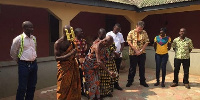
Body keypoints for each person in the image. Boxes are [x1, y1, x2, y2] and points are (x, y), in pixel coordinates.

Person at [82, 35, 116, 100]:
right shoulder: (97, 46)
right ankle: (92, 98)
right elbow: (99, 61)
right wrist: (108, 72)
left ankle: (97, 97)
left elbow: (104, 57)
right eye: (109, 44)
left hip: (95, 67)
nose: (109, 46)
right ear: (105, 41)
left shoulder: (104, 46)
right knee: (92, 84)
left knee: (97, 82)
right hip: (89, 66)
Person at [10, 21, 38, 100]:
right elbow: (13, 52)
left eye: (32, 27)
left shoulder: (34, 38)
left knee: (32, 86)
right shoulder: (18, 39)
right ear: (24, 28)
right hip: (23, 64)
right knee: (22, 87)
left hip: (34, 64)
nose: (32, 29)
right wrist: (19, 61)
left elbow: (33, 50)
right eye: (29, 27)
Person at [54, 25, 81, 100]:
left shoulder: (71, 41)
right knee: (63, 87)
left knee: (73, 86)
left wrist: (75, 56)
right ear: (64, 32)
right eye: (68, 32)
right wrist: (70, 54)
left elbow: (74, 53)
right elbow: (57, 58)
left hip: (72, 66)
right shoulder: (58, 43)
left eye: (71, 31)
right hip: (64, 68)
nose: (70, 33)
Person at [126, 21, 149, 87]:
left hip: (142, 53)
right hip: (133, 53)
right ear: (136, 26)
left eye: (141, 29)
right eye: (139, 29)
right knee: (132, 68)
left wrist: (141, 50)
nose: (140, 30)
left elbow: (146, 42)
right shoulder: (131, 32)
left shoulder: (144, 32)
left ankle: (142, 81)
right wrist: (136, 50)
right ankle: (130, 81)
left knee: (142, 68)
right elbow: (129, 42)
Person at [97, 28, 118, 98]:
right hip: (101, 64)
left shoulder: (109, 41)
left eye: (104, 35)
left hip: (109, 62)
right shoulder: (98, 43)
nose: (103, 37)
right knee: (102, 79)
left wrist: (113, 54)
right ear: (99, 34)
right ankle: (102, 93)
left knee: (109, 78)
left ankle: (108, 91)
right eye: (102, 35)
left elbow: (113, 50)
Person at [106, 23, 125, 90]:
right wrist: (114, 52)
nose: (117, 31)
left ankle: (116, 84)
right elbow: (107, 45)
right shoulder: (109, 34)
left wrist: (119, 52)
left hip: (119, 56)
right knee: (111, 70)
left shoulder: (120, 34)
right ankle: (110, 85)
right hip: (111, 56)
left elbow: (122, 44)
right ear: (114, 27)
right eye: (116, 29)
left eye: (119, 30)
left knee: (117, 70)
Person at [73, 28, 87, 95]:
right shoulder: (73, 42)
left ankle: (82, 91)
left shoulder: (84, 41)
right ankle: (76, 90)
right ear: (76, 33)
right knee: (76, 77)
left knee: (82, 76)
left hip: (83, 62)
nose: (82, 33)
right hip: (75, 62)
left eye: (82, 31)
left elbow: (85, 51)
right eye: (80, 32)